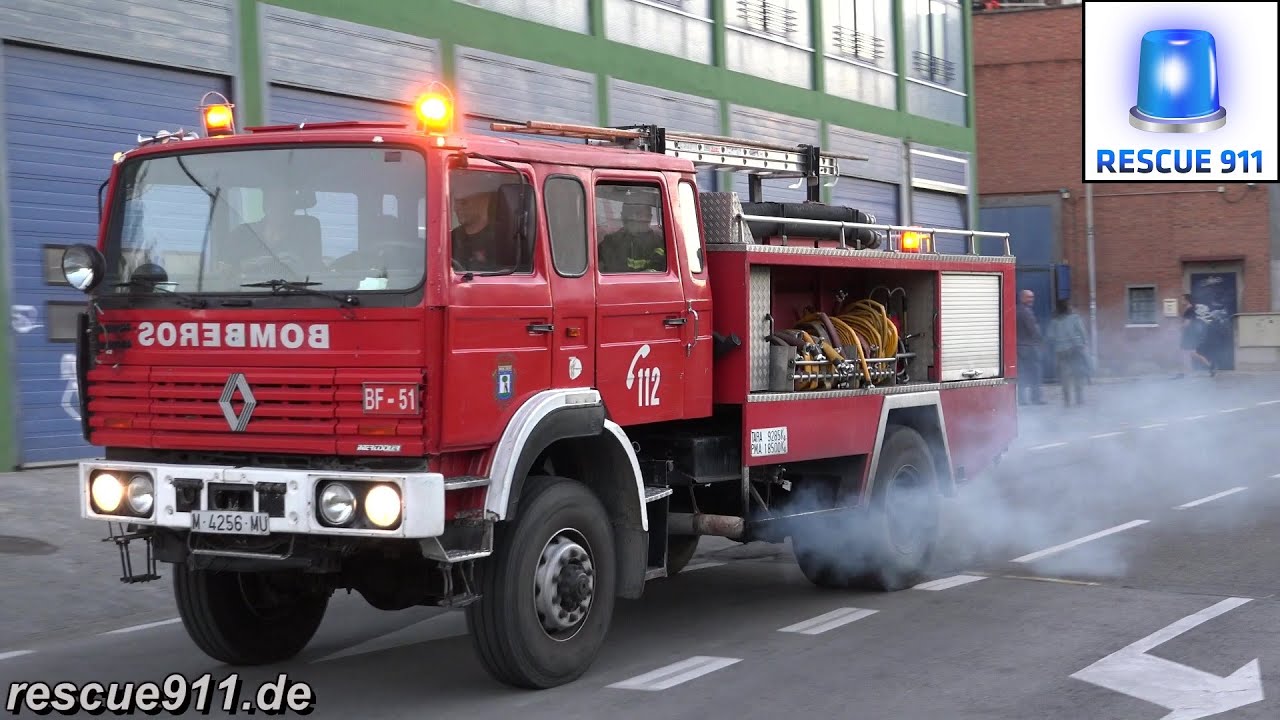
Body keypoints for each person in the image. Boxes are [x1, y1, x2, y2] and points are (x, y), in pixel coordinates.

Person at [598, 200, 666, 273]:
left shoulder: (660, 244)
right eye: (629, 214)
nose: (633, 217)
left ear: (649, 217)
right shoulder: (609, 242)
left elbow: (662, 273)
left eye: (638, 214)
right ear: (622, 216)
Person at [1047, 299, 1088, 406]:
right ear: (1068, 307)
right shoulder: (1075, 318)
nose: (1071, 306)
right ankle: (1079, 399)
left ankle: (1067, 401)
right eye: (1070, 305)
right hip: (1075, 349)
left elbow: (1050, 336)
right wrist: (1084, 343)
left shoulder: (1054, 320)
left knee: (1064, 377)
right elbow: (1082, 332)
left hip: (1061, 351)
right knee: (1077, 374)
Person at [451, 187, 501, 272]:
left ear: (484, 201)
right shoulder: (450, 238)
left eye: (463, 202)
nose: (455, 209)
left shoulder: (501, 239)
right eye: (456, 203)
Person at [1016, 289, 1046, 405]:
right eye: (1029, 297)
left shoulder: (1016, 310)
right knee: (1035, 373)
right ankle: (1036, 398)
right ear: (1022, 298)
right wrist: (1041, 342)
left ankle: (1022, 400)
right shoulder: (1026, 312)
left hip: (1018, 347)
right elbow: (1033, 330)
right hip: (1030, 347)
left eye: (1032, 297)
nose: (1031, 299)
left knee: (1022, 375)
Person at [1178, 293, 1213, 377]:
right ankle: (1209, 366)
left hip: (1188, 335)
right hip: (1191, 334)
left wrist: (1177, 328)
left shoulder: (1189, 310)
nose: (1181, 301)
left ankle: (1187, 371)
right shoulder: (1190, 309)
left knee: (1185, 353)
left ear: (1187, 300)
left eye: (1182, 299)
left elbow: (1187, 323)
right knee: (1191, 354)